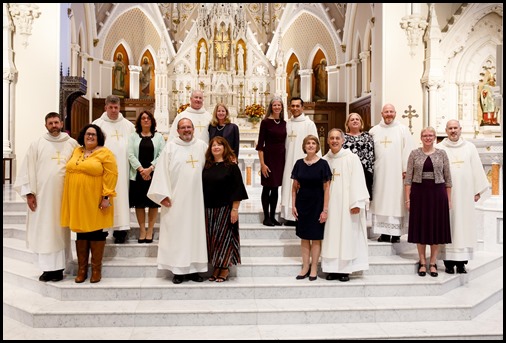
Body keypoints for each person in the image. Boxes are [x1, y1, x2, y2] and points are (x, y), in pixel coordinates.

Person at [13, 112, 78, 282]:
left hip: (63, 198)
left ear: (62, 124)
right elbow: (27, 169)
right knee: (44, 231)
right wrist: (29, 193)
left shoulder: (72, 144)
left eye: (56, 122)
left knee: (59, 231)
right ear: (46, 125)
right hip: (42, 197)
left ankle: (58, 269)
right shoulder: (37, 144)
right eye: (50, 123)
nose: (54, 125)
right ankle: (47, 269)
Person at [147, 118, 208, 284]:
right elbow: (161, 173)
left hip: (197, 200)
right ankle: (178, 270)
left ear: (193, 129)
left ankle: (195, 269)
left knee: (195, 233)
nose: (186, 130)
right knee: (177, 234)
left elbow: (212, 168)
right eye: (183, 127)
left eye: (189, 127)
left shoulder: (202, 146)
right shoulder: (170, 148)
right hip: (175, 200)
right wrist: (162, 195)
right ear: (178, 130)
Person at [61, 124, 118, 283]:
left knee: (96, 231)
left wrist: (106, 196)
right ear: (83, 136)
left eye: (93, 134)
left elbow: (111, 175)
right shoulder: (77, 151)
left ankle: (96, 269)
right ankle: (82, 269)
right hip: (77, 199)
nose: (90, 137)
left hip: (95, 198)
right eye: (88, 134)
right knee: (81, 231)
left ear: (99, 137)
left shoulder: (105, 153)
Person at [436, 120, 489, 274]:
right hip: (446, 194)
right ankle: (448, 262)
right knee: (448, 224)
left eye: (456, 128)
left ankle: (461, 263)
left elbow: (476, 169)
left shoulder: (469, 147)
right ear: (446, 130)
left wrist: (477, 190)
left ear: (460, 130)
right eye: (450, 128)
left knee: (464, 225)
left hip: (465, 194)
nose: (453, 131)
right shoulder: (440, 148)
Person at [322, 129, 370, 282]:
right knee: (330, 235)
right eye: (332, 138)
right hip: (330, 206)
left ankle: (344, 270)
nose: (334, 141)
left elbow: (358, 180)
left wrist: (356, 203)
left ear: (343, 140)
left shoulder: (352, 158)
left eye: (337, 138)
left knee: (347, 235)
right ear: (328, 141)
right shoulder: (324, 160)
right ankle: (331, 269)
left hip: (347, 205)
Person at [405, 126, 452, 278]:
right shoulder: (414, 154)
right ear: (421, 137)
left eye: (431, 135)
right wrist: (407, 199)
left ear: (435, 137)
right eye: (425, 135)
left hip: (437, 193)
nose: (428, 137)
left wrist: (448, 199)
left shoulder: (442, 153)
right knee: (421, 227)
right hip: (419, 193)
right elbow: (408, 179)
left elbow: (448, 179)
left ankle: (432, 262)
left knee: (436, 228)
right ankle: (421, 262)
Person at [203, 136, 248, 282]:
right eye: (213, 145)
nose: (216, 147)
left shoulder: (231, 166)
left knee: (224, 238)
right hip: (209, 208)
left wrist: (234, 209)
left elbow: (237, 189)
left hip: (225, 207)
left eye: (219, 145)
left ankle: (224, 268)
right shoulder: (207, 166)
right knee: (213, 238)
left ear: (225, 148)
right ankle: (217, 265)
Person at [369, 103, 414, 243]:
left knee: (396, 201)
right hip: (380, 173)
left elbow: (408, 150)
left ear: (395, 113)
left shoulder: (402, 130)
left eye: (391, 112)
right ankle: (383, 233)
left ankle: (396, 234)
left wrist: (406, 169)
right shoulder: (374, 131)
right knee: (380, 200)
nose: (389, 114)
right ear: (381, 114)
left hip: (397, 174)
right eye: (386, 112)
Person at [93, 95, 135, 243]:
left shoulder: (128, 126)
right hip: (103, 169)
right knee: (104, 195)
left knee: (121, 197)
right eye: (110, 107)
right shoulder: (97, 124)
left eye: (116, 107)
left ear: (119, 107)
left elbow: (133, 148)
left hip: (122, 170)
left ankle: (120, 230)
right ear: (105, 107)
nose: (113, 110)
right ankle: (102, 229)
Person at [291, 135, 331, 281]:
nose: (311, 145)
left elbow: (327, 189)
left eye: (313, 143)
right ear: (304, 146)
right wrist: (293, 205)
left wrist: (325, 209)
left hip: (317, 204)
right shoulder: (299, 164)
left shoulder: (323, 164)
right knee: (304, 236)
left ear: (317, 146)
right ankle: (305, 266)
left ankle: (314, 266)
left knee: (315, 237)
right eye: (308, 143)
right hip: (302, 204)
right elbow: (294, 188)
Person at [127, 110, 166, 243]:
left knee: (153, 203)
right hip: (138, 174)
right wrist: (141, 170)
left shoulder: (159, 137)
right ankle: (142, 229)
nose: (146, 120)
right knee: (139, 204)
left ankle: (150, 230)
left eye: (148, 118)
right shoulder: (133, 136)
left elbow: (162, 154)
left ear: (152, 121)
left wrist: (150, 169)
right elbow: (130, 154)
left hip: (154, 174)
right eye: (143, 118)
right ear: (139, 121)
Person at [280, 97, 319, 226]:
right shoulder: (287, 123)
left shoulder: (308, 124)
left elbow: (315, 143)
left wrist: (315, 164)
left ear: (302, 108)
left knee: (302, 189)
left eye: (298, 106)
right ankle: (288, 215)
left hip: (304, 163)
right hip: (288, 161)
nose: (295, 108)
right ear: (289, 108)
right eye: (293, 106)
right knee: (288, 186)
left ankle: (300, 215)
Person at [256, 96, 287, 226]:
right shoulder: (265, 122)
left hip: (280, 157)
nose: (277, 107)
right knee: (267, 187)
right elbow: (260, 145)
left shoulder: (285, 123)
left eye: (279, 105)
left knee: (275, 188)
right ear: (271, 107)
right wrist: (262, 164)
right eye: (274, 105)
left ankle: (273, 216)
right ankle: (266, 217)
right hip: (268, 157)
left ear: (282, 107)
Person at [343, 112, 374, 200]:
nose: (355, 121)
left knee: (365, 199)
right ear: (347, 124)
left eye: (357, 119)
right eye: (352, 120)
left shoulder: (368, 136)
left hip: (366, 171)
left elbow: (372, 153)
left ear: (361, 123)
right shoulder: (343, 138)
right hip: (349, 170)